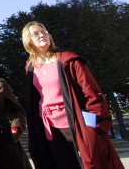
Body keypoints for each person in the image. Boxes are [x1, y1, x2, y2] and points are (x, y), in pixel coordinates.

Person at [22, 21, 124, 169]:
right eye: (36, 34)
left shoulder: (69, 60)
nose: (42, 35)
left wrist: (92, 127)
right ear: (28, 41)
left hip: (76, 124)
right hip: (49, 127)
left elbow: (92, 94)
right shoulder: (30, 67)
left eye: (43, 31)